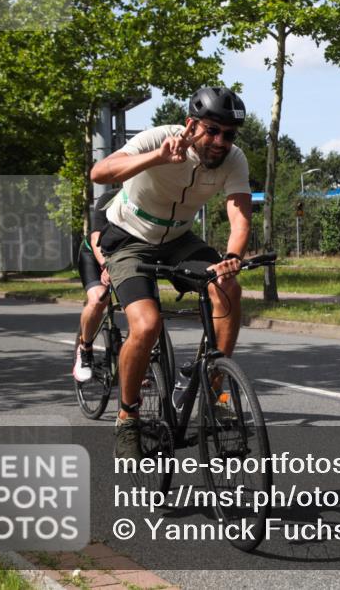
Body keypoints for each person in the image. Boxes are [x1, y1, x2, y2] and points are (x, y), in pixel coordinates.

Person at [90, 87, 252, 461]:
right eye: (212, 130)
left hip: (179, 238)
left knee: (227, 288)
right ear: (191, 125)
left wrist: (231, 257)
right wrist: (155, 157)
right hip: (129, 238)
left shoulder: (234, 160)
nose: (220, 141)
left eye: (229, 135)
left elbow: (240, 217)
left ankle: (211, 386)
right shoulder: (159, 138)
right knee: (145, 326)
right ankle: (128, 417)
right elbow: (100, 170)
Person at [72, 188, 119, 382]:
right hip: (95, 255)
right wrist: (105, 265)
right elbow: (95, 237)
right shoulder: (110, 198)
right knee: (99, 299)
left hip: (126, 258)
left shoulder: (154, 198)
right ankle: (85, 349)